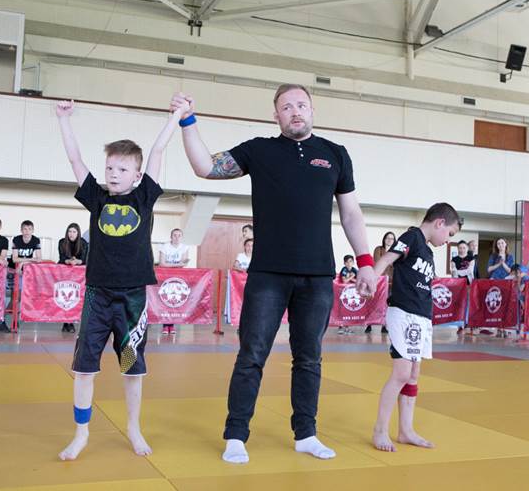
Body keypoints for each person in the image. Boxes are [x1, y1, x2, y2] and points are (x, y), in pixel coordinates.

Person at [173, 84, 377, 464]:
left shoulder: (335, 154)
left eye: (301, 105)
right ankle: (236, 435)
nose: (295, 111)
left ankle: (306, 434)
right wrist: (188, 120)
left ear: (312, 110)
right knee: (252, 354)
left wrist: (365, 262)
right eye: (286, 107)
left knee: (310, 358)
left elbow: (351, 213)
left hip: (317, 276)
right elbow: (206, 167)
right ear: (276, 115)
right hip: (268, 274)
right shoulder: (259, 150)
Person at [55, 98, 184, 461]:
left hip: (132, 300)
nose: (113, 174)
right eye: (109, 167)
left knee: (131, 368)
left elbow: (157, 150)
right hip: (97, 297)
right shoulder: (97, 198)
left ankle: (133, 426)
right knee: (84, 367)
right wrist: (64, 120)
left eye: (122, 169)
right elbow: (75, 160)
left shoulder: (144, 197)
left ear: (137, 175)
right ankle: (81, 433)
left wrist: (176, 115)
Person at [371, 203, 461, 452]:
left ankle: (405, 430)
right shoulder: (412, 237)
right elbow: (387, 258)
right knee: (401, 374)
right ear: (439, 223)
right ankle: (380, 430)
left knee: (412, 375)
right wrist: (370, 280)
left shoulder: (428, 252)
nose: (448, 240)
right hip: (404, 313)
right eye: (450, 234)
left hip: (421, 317)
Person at [58, 223, 89, 333]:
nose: (71, 234)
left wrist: (77, 261)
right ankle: (66, 322)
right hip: (64, 274)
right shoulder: (62, 242)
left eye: (74, 232)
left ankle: (71, 322)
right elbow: (62, 258)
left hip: (78, 277)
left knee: (74, 298)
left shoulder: (83, 243)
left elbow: (84, 260)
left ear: (78, 233)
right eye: (69, 231)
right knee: (64, 298)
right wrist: (69, 261)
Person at [158, 227, 189, 334]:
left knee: (175, 300)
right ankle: (165, 325)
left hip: (178, 277)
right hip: (165, 276)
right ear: (171, 237)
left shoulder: (184, 247)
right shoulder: (165, 246)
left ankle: (172, 325)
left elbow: (184, 263)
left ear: (182, 237)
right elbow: (162, 263)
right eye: (174, 235)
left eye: (179, 235)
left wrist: (170, 264)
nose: (177, 237)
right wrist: (177, 264)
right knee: (165, 299)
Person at [367, 232, 396, 334]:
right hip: (380, 281)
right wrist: (389, 262)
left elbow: (397, 265)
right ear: (384, 239)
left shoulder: (396, 252)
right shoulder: (379, 249)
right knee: (374, 303)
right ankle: (369, 324)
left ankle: (384, 325)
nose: (389, 240)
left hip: (392, 282)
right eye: (387, 238)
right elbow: (377, 262)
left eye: (392, 239)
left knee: (387, 304)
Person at [337, 255, 358, 335]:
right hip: (343, 292)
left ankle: (347, 327)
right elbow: (344, 281)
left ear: (353, 262)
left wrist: (350, 278)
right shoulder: (344, 269)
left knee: (348, 310)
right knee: (342, 309)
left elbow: (357, 281)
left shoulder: (354, 270)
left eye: (350, 261)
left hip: (351, 293)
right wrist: (352, 277)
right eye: (347, 262)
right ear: (344, 263)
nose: (349, 263)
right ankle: (340, 326)